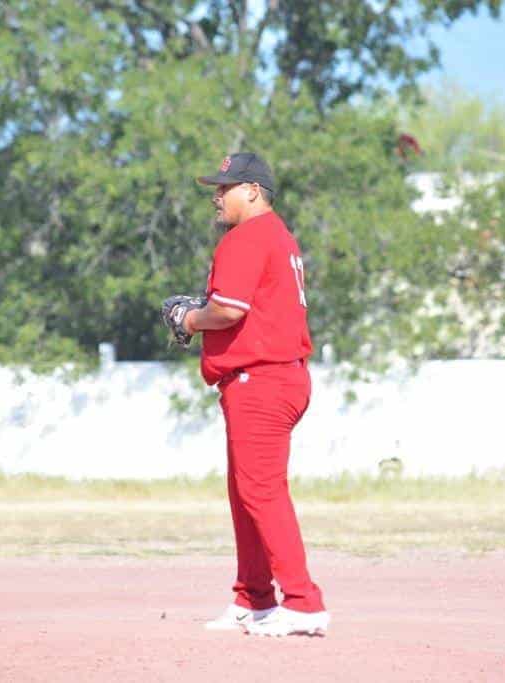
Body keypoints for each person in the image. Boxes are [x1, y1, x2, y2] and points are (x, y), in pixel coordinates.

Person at [168, 152, 329, 637]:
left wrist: (190, 319)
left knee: (261, 491)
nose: (217, 196)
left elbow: (229, 310)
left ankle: (302, 602)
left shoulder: (248, 236)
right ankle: (254, 598)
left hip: (262, 379)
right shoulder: (277, 236)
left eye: (226, 187)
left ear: (253, 191)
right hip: (275, 376)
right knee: (247, 493)